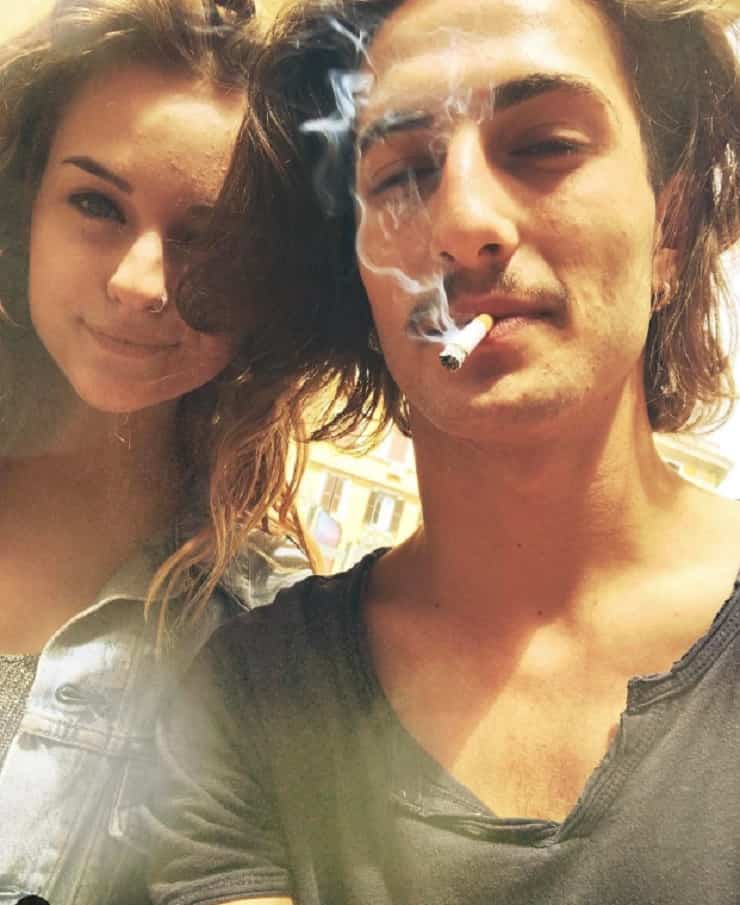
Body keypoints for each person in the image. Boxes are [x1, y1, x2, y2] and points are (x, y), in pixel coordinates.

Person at [145, 0, 740, 902]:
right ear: (360, 281)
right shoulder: (250, 699)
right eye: (404, 174)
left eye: (544, 146)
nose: (464, 221)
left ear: (671, 228)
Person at [0, 2, 312, 903]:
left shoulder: (263, 645)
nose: (141, 283)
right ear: (25, 209)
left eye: (209, 242)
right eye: (98, 204)